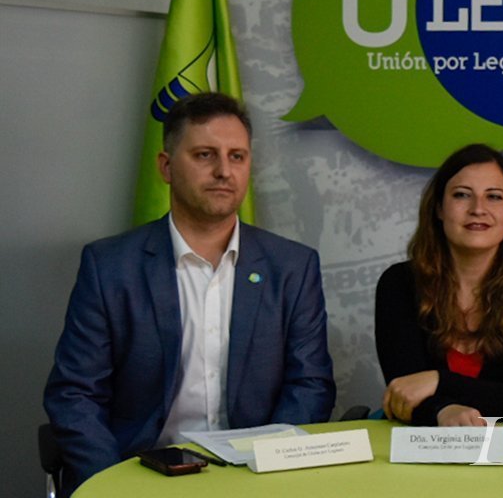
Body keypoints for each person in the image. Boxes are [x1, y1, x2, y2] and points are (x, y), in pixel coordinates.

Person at [43, 93, 335, 491]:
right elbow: (75, 394)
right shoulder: (111, 267)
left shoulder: (292, 267)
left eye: (237, 156)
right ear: (166, 166)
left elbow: (311, 384)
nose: (223, 171)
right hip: (141, 473)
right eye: (204, 155)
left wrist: (269, 472)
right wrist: (114, 484)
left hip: (256, 477)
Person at [374, 144, 503, 427]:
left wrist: (438, 381)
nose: (478, 209)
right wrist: (441, 411)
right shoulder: (398, 284)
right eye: (462, 195)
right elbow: (404, 391)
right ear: (438, 208)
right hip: (422, 450)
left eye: (494, 197)